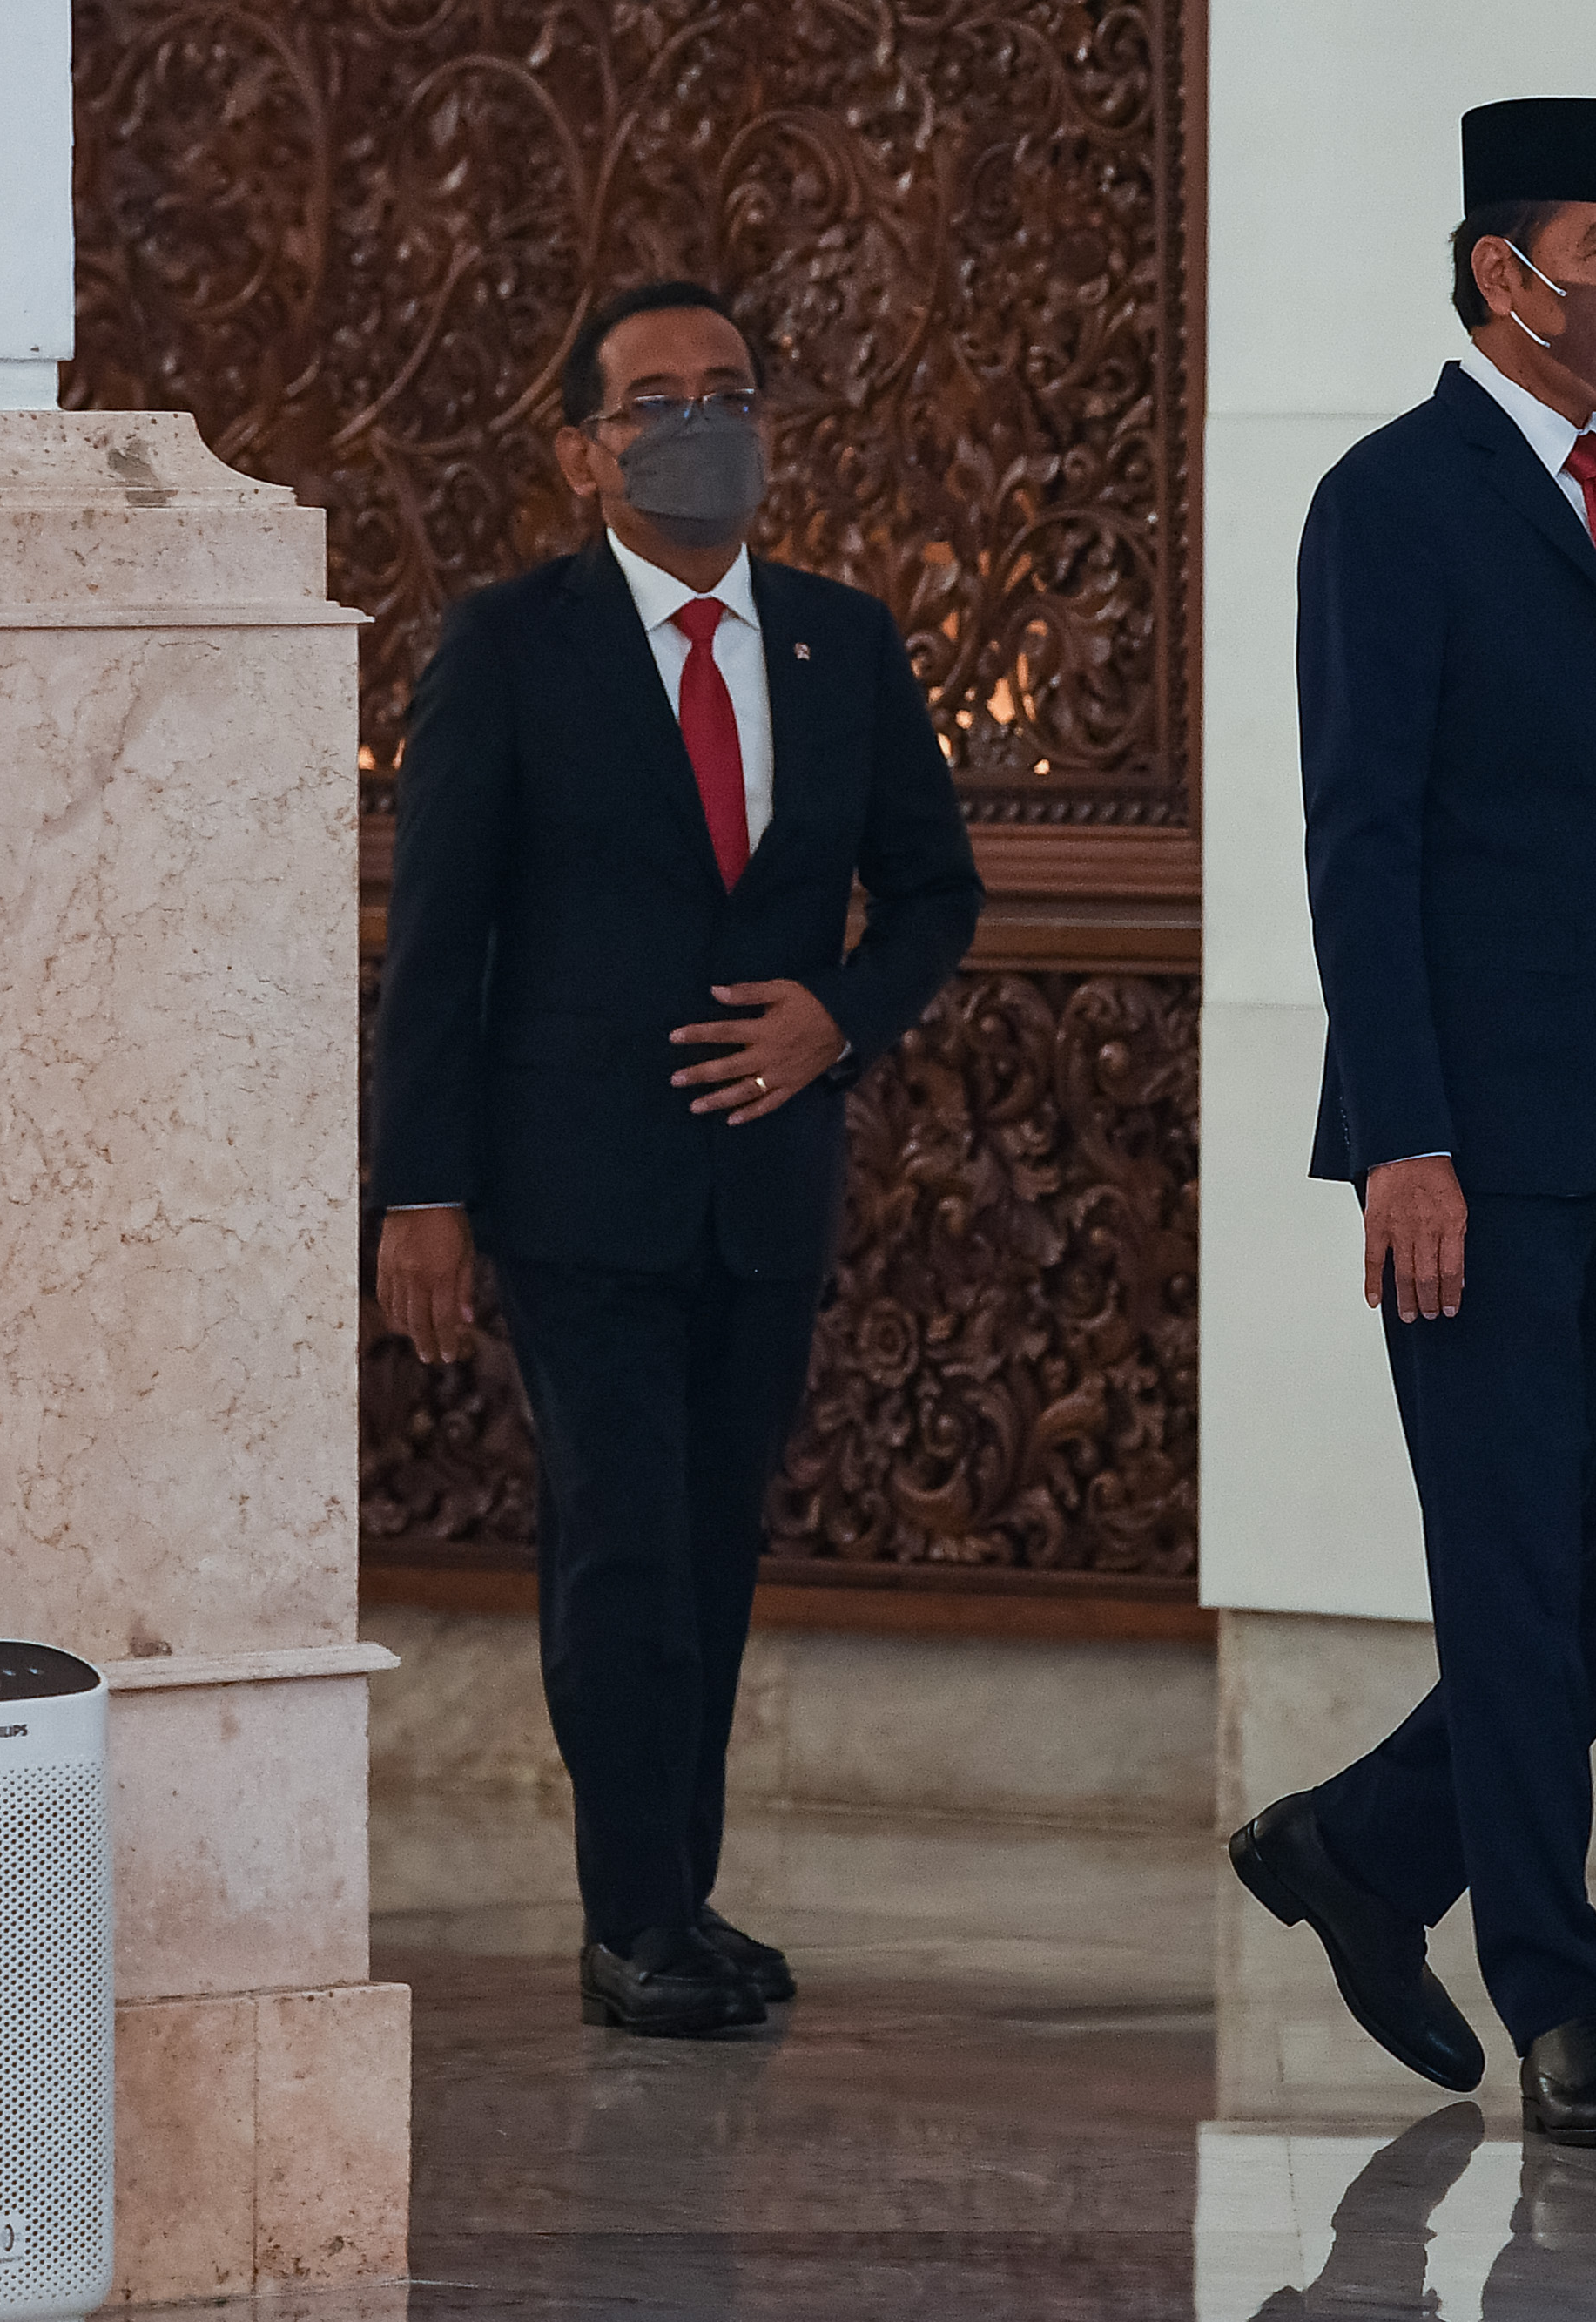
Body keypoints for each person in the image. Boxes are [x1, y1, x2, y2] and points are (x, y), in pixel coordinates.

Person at [1227, 96, 1596, 2153]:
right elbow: (1358, 837)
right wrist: (1400, 1137)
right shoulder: (1391, 496)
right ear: (1500, 271)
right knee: (1508, 1559)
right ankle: (1557, 1991)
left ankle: (1364, 1838)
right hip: (1466, 1130)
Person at [369, 280, 981, 2037]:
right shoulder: (507, 644)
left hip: (763, 1185)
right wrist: (422, 1191)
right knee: (618, 1549)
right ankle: (630, 1916)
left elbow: (936, 891)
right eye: (654, 400)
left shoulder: (840, 641)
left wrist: (835, 1017)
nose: (697, 422)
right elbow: (439, 938)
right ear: (582, 452)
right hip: (573, 1185)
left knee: (711, 1549)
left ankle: (681, 1897)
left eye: (728, 391)